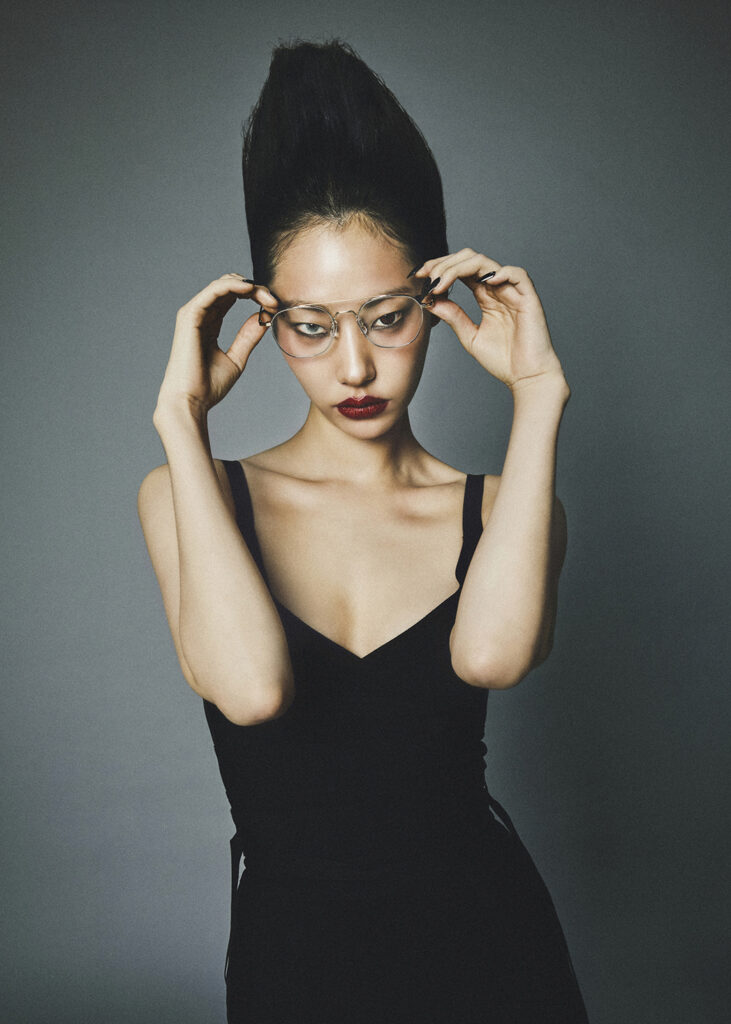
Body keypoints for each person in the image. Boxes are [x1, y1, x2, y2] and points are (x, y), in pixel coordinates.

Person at [137, 38, 589, 1024]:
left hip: (488, 953)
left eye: (385, 318)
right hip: (295, 967)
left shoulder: (502, 506)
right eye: (311, 326)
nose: (353, 367)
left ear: (434, 302)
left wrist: (538, 395)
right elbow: (250, 689)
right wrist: (180, 419)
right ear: (265, 320)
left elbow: (493, 653)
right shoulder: (187, 493)